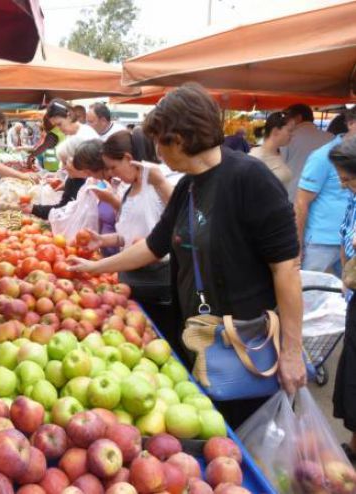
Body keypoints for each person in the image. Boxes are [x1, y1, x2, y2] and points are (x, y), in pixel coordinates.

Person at [68, 83, 306, 428]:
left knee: (245, 433)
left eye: (160, 144)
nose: (158, 155)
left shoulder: (250, 179)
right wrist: (95, 266)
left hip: (243, 345)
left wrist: (292, 351)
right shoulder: (188, 186)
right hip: (199, 338)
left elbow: (286, 269)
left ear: (178, 139)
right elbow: (153, 246)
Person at [73, 135, 176, 341]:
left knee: (161, 337)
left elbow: (182, 217)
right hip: (132, 282)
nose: (110, 174)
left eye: (112, 167)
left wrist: (161, 183)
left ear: (128, 158)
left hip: (157, 283)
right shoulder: (130, 189)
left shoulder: (161, 180)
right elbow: (127, 237)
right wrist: (104, 240)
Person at [295, 108, 356, 275]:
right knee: (312, 293)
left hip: (349, 242)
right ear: (351, 123)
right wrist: (298, 245)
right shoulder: (323, 156)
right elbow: (301, 202)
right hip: (321, 242)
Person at [329, 135, 356, 463]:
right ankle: (352, 446)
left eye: (347, 178)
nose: (344, 184)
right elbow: (345, 237)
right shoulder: (352, 198)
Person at [282, 103, 333, 199]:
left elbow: (279, 166)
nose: (285, 121)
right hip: (324, 196)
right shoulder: (331, 138)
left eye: (287, 117)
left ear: (298, 118)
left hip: (293, 194)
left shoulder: (288, 137)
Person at [46, 99, 99, 166]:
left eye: (59, 124)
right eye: (55, 126)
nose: (59, 129)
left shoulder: (85, 136)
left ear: (69, 116)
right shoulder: (71, 135)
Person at [249, 112, 294, 185]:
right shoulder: (256, 157)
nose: (292, 134)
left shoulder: (278, 153)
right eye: (289, 130)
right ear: (275, 131)